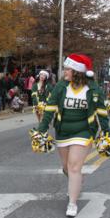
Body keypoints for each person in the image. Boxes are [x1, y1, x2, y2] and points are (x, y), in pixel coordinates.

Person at [36, 54, 109, 217]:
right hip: (63, 131)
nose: (65, 71)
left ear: (77, 71)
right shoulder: (61, 86)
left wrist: (106, 132)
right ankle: (76, 181)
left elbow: (102, 113)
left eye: (68, 69)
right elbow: (50, 108)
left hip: (84, 131)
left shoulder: (93, 88)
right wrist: (42, 129)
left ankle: (72, 203)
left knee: (74, 167)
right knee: (66, 168)